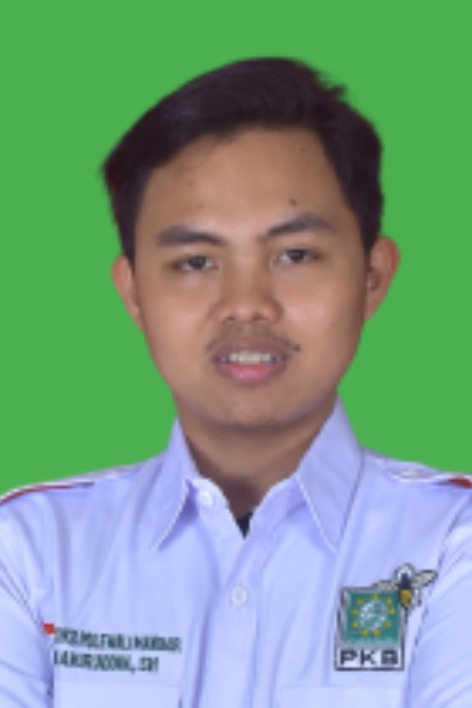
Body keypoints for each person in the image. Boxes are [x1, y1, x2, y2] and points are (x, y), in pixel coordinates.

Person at [1, 57, 471, 708]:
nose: (246, 304)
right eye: (196, 261)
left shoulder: (452, 543)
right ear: (133, 292)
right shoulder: (30, 550)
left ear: (371, 278)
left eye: (295, 255)